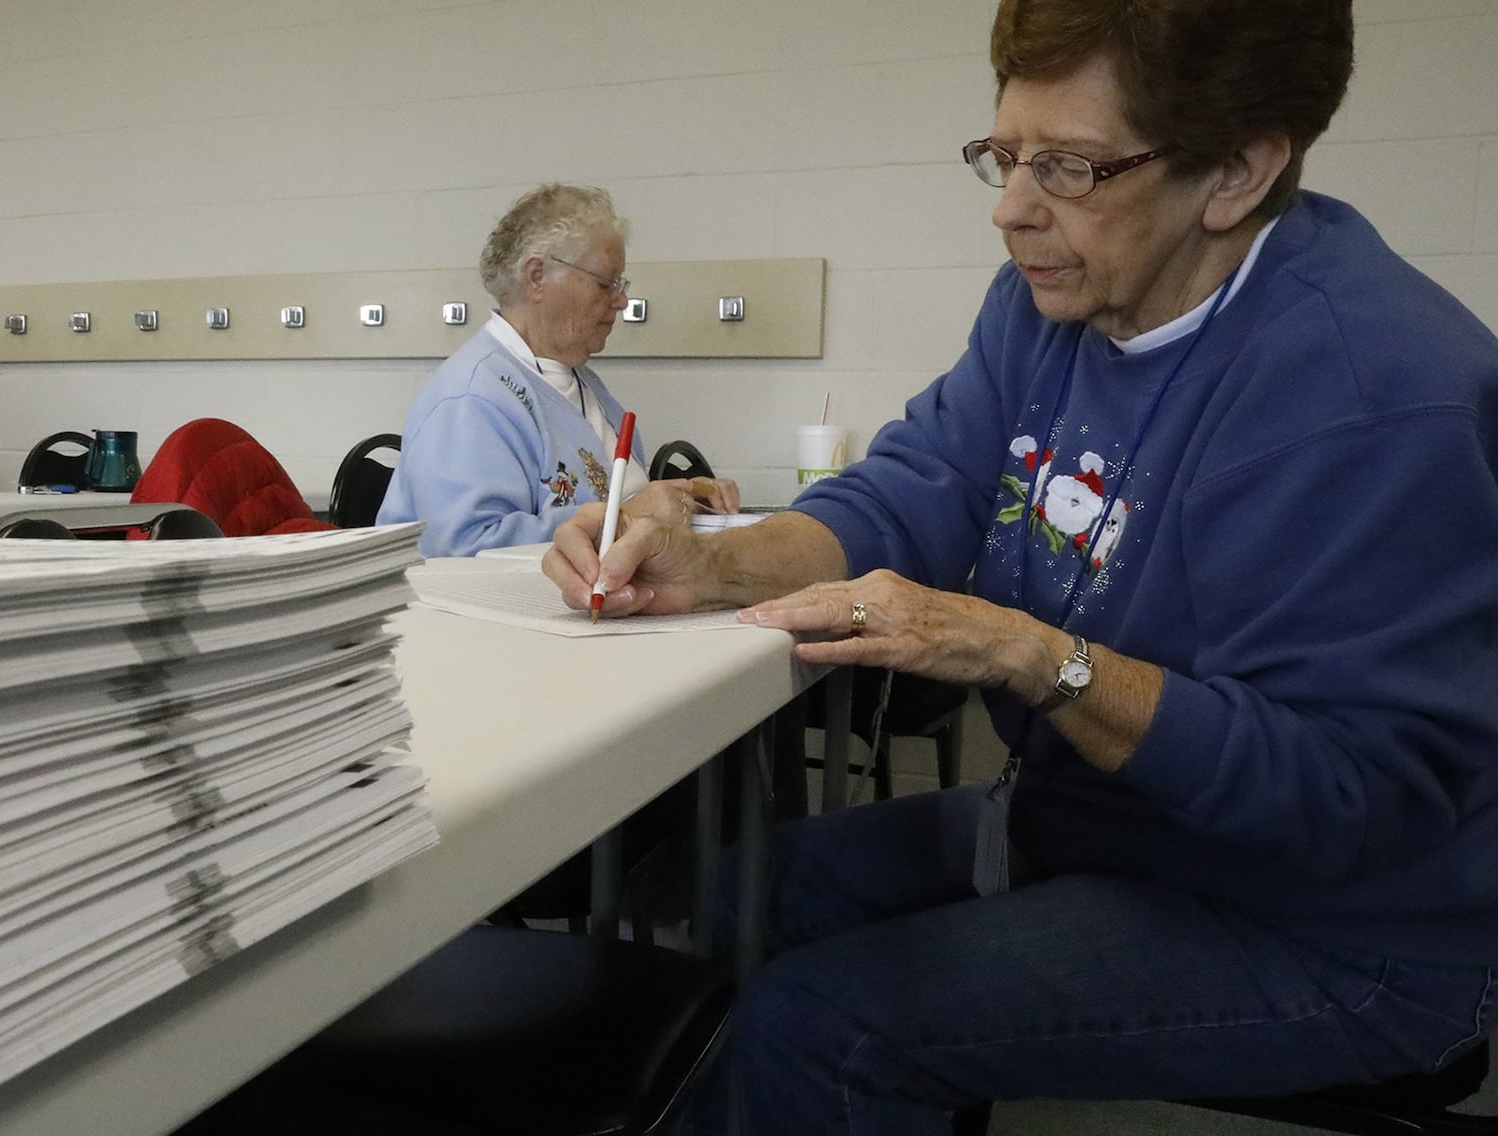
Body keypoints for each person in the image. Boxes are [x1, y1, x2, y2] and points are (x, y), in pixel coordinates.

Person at [543, 0, 1498, 1131]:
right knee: (737, 894)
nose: (1010, 209)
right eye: (1003, 155)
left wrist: (1035, 658)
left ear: (1236, 172)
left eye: (1069, 168)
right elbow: (921, 484)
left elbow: (1348, 799)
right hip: (1100, 823)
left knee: (826, 1019)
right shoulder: (1057, 300)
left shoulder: (1374, 392)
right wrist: (708, 564)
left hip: (1331, 922)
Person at [377, 183, 738, 556]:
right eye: (605, 283)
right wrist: (628, 517)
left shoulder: (584, 386)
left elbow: (622, 499)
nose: (621, 301)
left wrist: (684, 502)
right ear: (536, 277)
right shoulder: (470, 399)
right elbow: (461, 548)